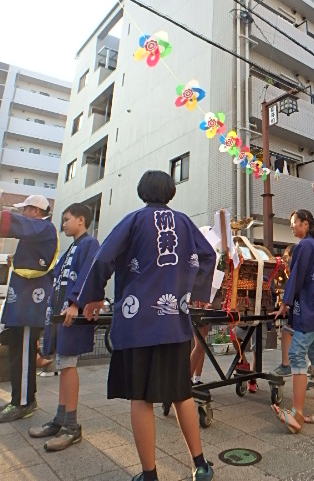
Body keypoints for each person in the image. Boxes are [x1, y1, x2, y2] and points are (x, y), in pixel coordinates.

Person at [76, 171, 216, 481]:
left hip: (137, 322)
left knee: (141, 398)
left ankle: (149, 475)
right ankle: (201, 465)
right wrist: (199, 294)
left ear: (142, 192)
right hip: (174, 323)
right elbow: (208, 255)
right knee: (182, 394)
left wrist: (93, 297)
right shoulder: (184, 222)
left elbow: (103, 259)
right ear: (170, 192)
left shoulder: (134, 220)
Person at [28, 203, 99, 451]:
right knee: (63, 364)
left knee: (68, 365)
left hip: (72, 315)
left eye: (67, 219)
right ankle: (61, 420)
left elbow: (90, 273)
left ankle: (72, 426)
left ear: (81, 220)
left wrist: (75, 303)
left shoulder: (89, 244)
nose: (64, 224)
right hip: (60, 316)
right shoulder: (72, 247)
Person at [272, 209, 314, 433]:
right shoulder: (313, 246)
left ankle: (297, 413)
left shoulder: (305, 246)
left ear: (305, 224)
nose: (292, 226)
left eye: (294, 223)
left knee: (296, 353)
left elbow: (296, 276)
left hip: (308, 309)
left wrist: (284, 303)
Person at [0, 195, 58, 423]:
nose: (23, 213)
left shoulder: (43, 227)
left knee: (24, 352)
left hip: (29, 303)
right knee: (18, 351)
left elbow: (17, 225)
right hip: (22, 302)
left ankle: (23, 402)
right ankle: (20, 398)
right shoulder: (38, 231)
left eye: (26, 209)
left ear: (36, 211)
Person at [272, 244, 295, 377]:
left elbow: (291, 290)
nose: (284, 260)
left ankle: (287, 365)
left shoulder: (295, 270)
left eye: (286, 256)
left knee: (288, 332)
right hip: (307, 311)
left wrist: (284, 306)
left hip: (301, 311)